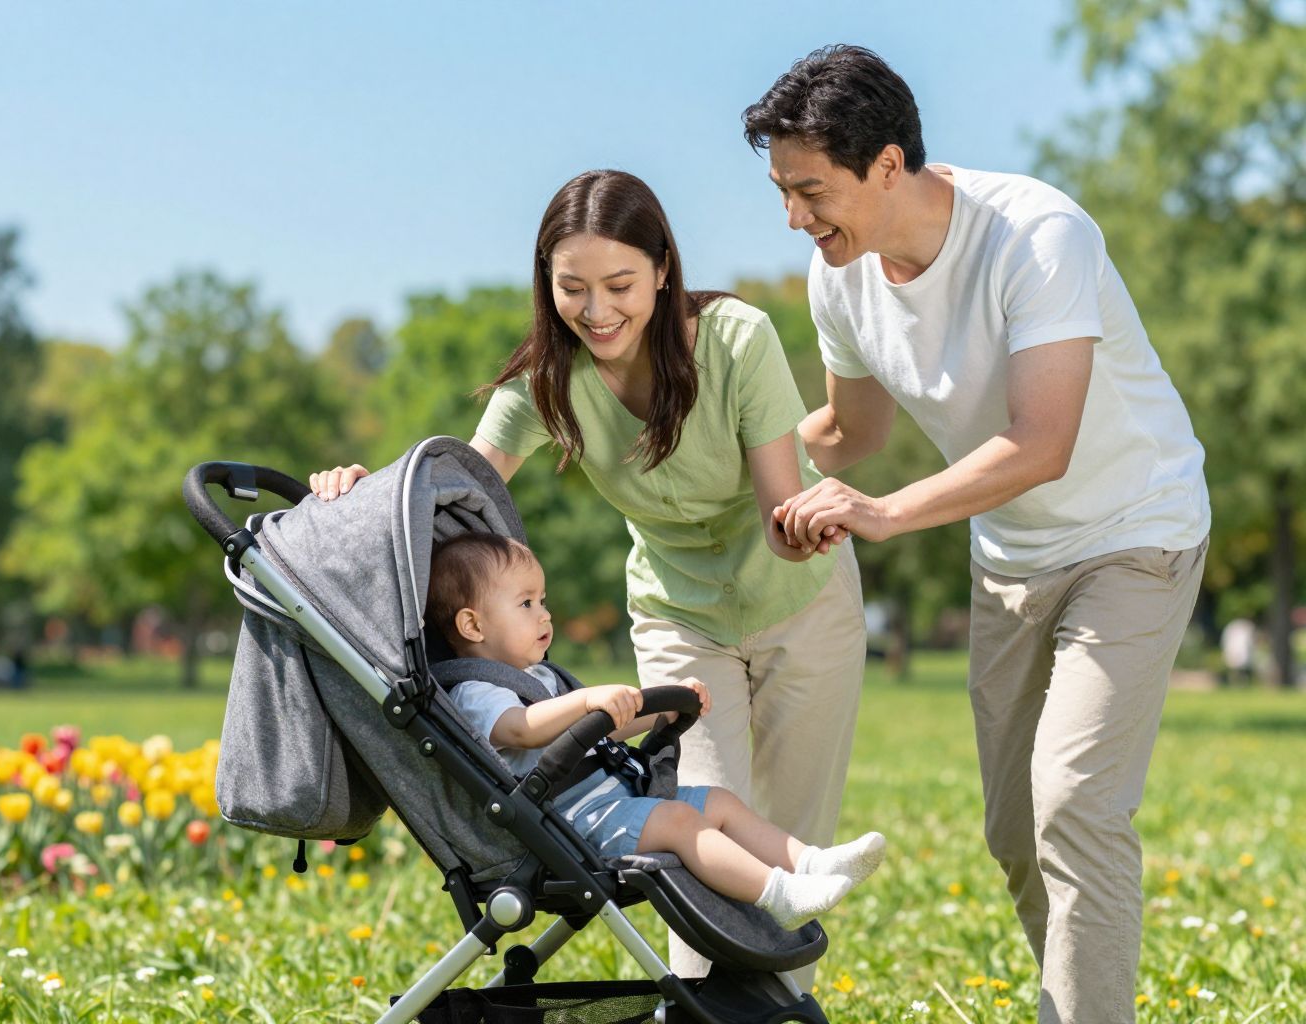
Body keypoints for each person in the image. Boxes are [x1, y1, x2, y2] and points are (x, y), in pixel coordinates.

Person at [742, 45, 1210, 1024]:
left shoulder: (1037, 236)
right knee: (1016, 827)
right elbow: (852, 434)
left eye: (811, 190)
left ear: (887, 162)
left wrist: (881, 513)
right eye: (783, 191)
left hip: (1135, 528)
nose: (795, 217)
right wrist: (739, 466)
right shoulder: (843, 279)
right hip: (1013, 558)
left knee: (1075, 799)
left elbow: (1043, 442)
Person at [311, 168, 868, 981]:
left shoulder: (737, 340)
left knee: (790, 835)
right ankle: (699, 1004)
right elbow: (450, 493)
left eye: (620, 285)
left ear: (663, 270)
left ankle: (781, 1003)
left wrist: (807, 529)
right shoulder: (545, 380)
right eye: (573, 288)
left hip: (801, 599)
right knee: (685, 819)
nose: (598, 311)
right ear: (547, 284)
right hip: (681, 610)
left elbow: (782, 511)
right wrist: (359, 498)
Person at [428, 531, 885, 929]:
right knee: (682, 820)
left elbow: (600, 732)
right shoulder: (477, 690)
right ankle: (778, 897)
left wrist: (661, 707)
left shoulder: (544, 679)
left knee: (718, 801)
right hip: (575, 824)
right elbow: (522, 730)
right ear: (472, 624)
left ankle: (811, 861)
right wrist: (587, 700)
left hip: (617, 801)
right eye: (526, 604)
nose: (544, 615)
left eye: (543, 601)